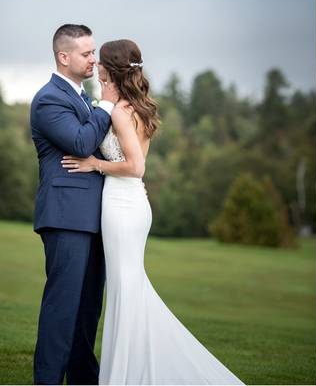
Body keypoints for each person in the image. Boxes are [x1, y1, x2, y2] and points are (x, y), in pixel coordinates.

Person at [61, 39, 243, 384]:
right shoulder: (131, 107)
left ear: (111, 68)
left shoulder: (119, 112)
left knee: (124, 290)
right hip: (131, 205)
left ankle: (124, 374)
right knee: (126, 289)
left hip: (123, 205)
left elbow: (136, 166)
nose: (95, 65)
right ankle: (128, 370)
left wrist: (93, 163)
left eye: (99, 62)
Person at [32, 24, 117, 385]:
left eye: (93, 51)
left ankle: (85, 380)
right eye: (86, 53)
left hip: (95, 218)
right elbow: (81, 142)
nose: (93, 59)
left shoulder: (83, 98)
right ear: (63, 57)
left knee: (87, 313)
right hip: (66, 216)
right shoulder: (49, 99)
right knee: (62, 310)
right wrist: (109, 104)